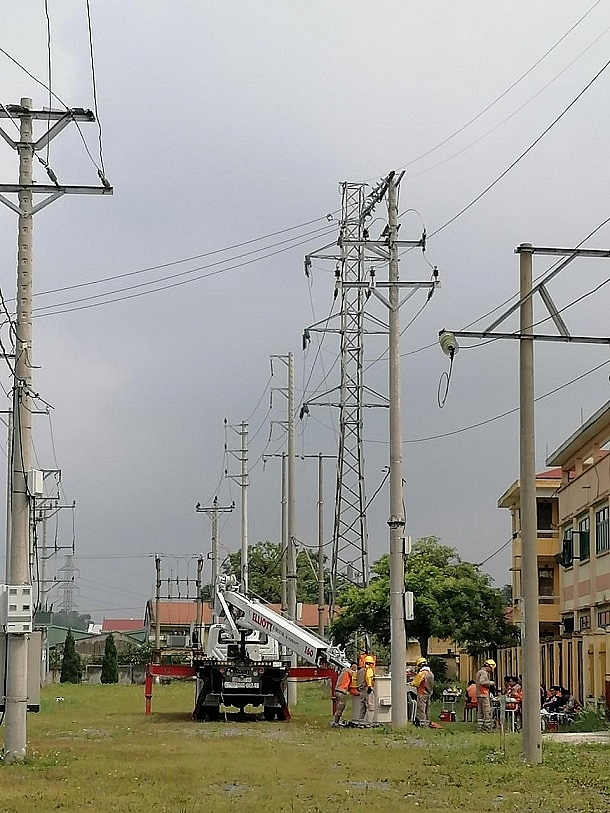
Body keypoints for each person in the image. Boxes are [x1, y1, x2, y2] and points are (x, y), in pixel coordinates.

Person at [330, 663, 359, 727]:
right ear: (351, 667)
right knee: (340, 708)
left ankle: (336, 721)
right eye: (354, 667)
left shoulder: (344, 671)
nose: (355, 669)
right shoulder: (348, 671)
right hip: (341, 691)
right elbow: (355, 675)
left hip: (338, 691)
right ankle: (335, 722)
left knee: (339, 707)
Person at [410, 656, 435, 727]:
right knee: (427, 709)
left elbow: (415, 683)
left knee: (421, 709)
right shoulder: (430, 673)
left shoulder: (422, 673)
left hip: (422, 693)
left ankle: (422, 723)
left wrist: (410, 682)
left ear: (420, 665)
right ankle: (427, 722)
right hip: (429, 693)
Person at [475, 659, 496, 732]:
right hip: (484, 694)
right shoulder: (484, 673)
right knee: (487, 711)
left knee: (480, 712)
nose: (491, 670)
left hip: (479, 694)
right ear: (489, 666)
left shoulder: (479, 672)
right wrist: (491, 683)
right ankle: (487, 727)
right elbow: (482, 682)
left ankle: (480, 727)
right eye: (491, 668)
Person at [357, 655, 376, 727]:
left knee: (363, 706)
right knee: (370, 706)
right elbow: (368, 677)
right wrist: (370, 686)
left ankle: (361, 722)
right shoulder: (369, 669)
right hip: (367, 689)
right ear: (370, 663)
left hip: (361, 690)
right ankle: (369, 723)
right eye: (372, 663)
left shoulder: (360, 670)